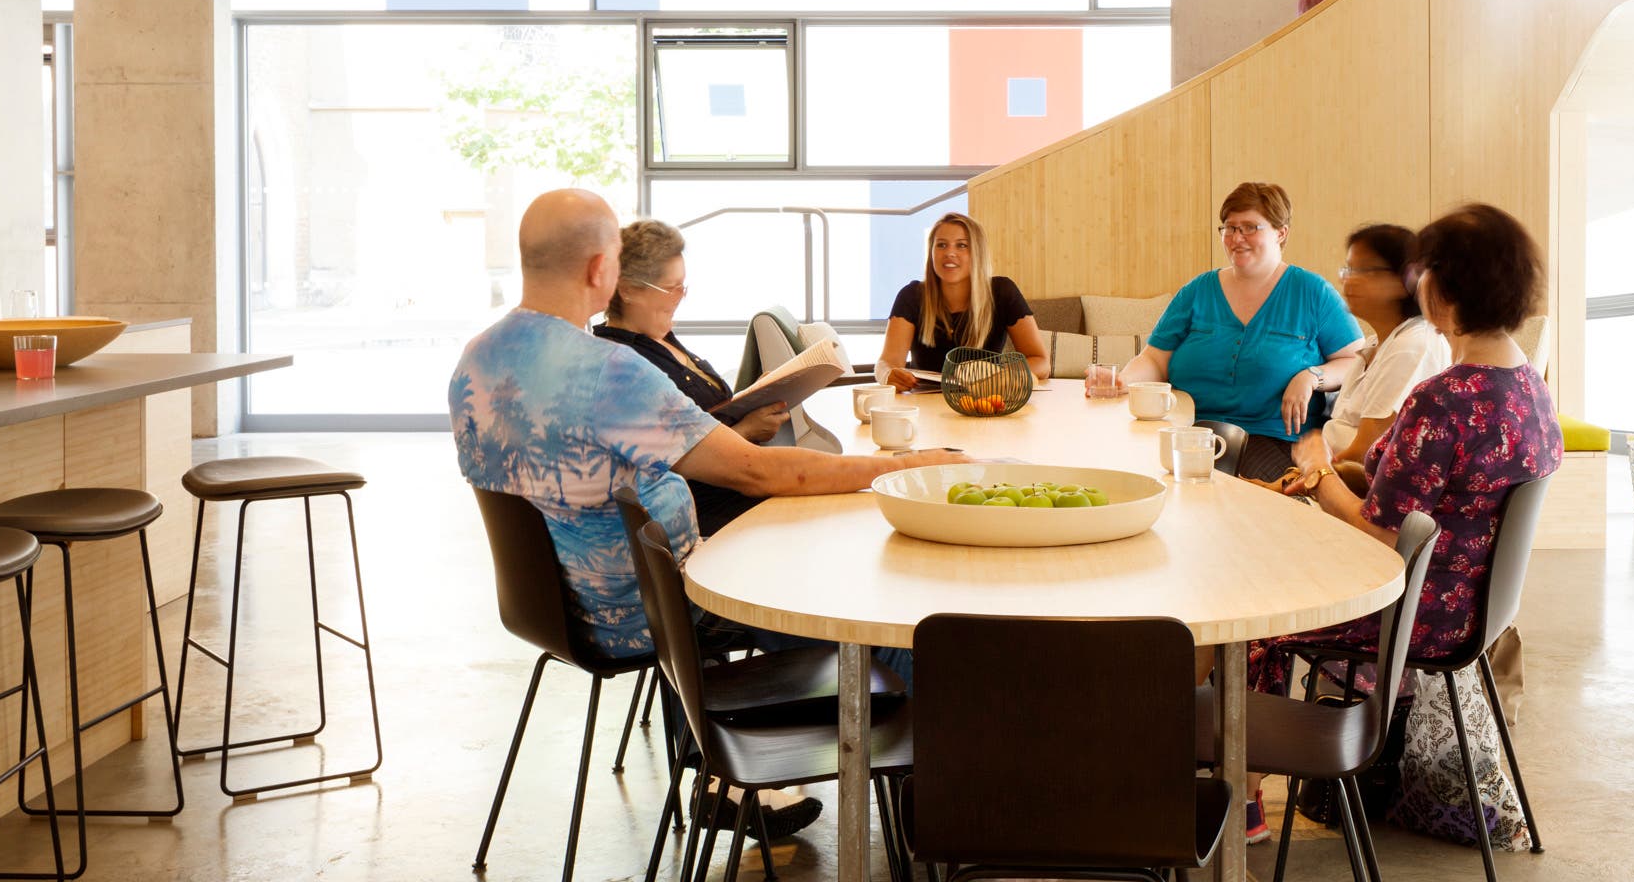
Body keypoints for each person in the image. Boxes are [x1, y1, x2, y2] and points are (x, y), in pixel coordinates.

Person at [450, 189, 965, 668]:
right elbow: (756, 473)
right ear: (601, 269)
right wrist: (906, 466)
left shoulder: (474, 360)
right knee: (891, 625)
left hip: (555, 609)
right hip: (661, 610)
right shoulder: (610, 371)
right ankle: (920, 761)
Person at [1252, 202, 1562, 843]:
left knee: (1257, 612)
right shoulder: (1528, 386)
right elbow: (1439, 495)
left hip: (1414, 607)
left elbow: (1386, 543)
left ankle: (1240, 791)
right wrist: (1333, 483)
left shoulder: (1444, 397)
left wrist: (1320, 477)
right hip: (1477, 606)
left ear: (1444, 290)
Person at [1090, 182, 1372, 480]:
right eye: (1229, 228)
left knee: (1220, 495)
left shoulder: (1313, 293)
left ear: (1281, 232)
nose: (1237, 238)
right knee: (1126, 475)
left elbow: (1356, 362)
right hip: (1190, 430)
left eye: (1250, 227)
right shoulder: (1197, 291)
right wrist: (1122, 380)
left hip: (1272, 438)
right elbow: (1155, 359)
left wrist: (1312, 376)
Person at [594, 217, 788, 535]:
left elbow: (700, 417)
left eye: (683, 287)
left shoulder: (660, 335)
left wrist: (754, 396)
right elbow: (670, 464)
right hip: (710, 517)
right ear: (628, 290)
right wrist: (746, 430)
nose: (680, 298)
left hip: (739, 493)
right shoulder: (623, 363)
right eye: (671, 289)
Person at [1295, 222, 1449, 484]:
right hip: (1329, 476)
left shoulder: (1412, 346)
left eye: (1364, 270)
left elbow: (1366, 455)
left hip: (1356, 490)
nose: (1347, 280)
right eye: (1348, 269)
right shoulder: (1376, 343)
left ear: (1404, 280)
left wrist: (1304, 476)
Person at [876, 210, 1049, 388]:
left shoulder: (1002, 292)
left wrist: (1003, 379)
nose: (950, 253)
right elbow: (886, 363)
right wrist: (887, 374)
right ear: (932, 252)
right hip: (924, 404)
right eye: (941, 245)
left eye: (962, 245)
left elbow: (1041, 362)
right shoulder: (911, 296)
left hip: (986, 402)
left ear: (977, 253)